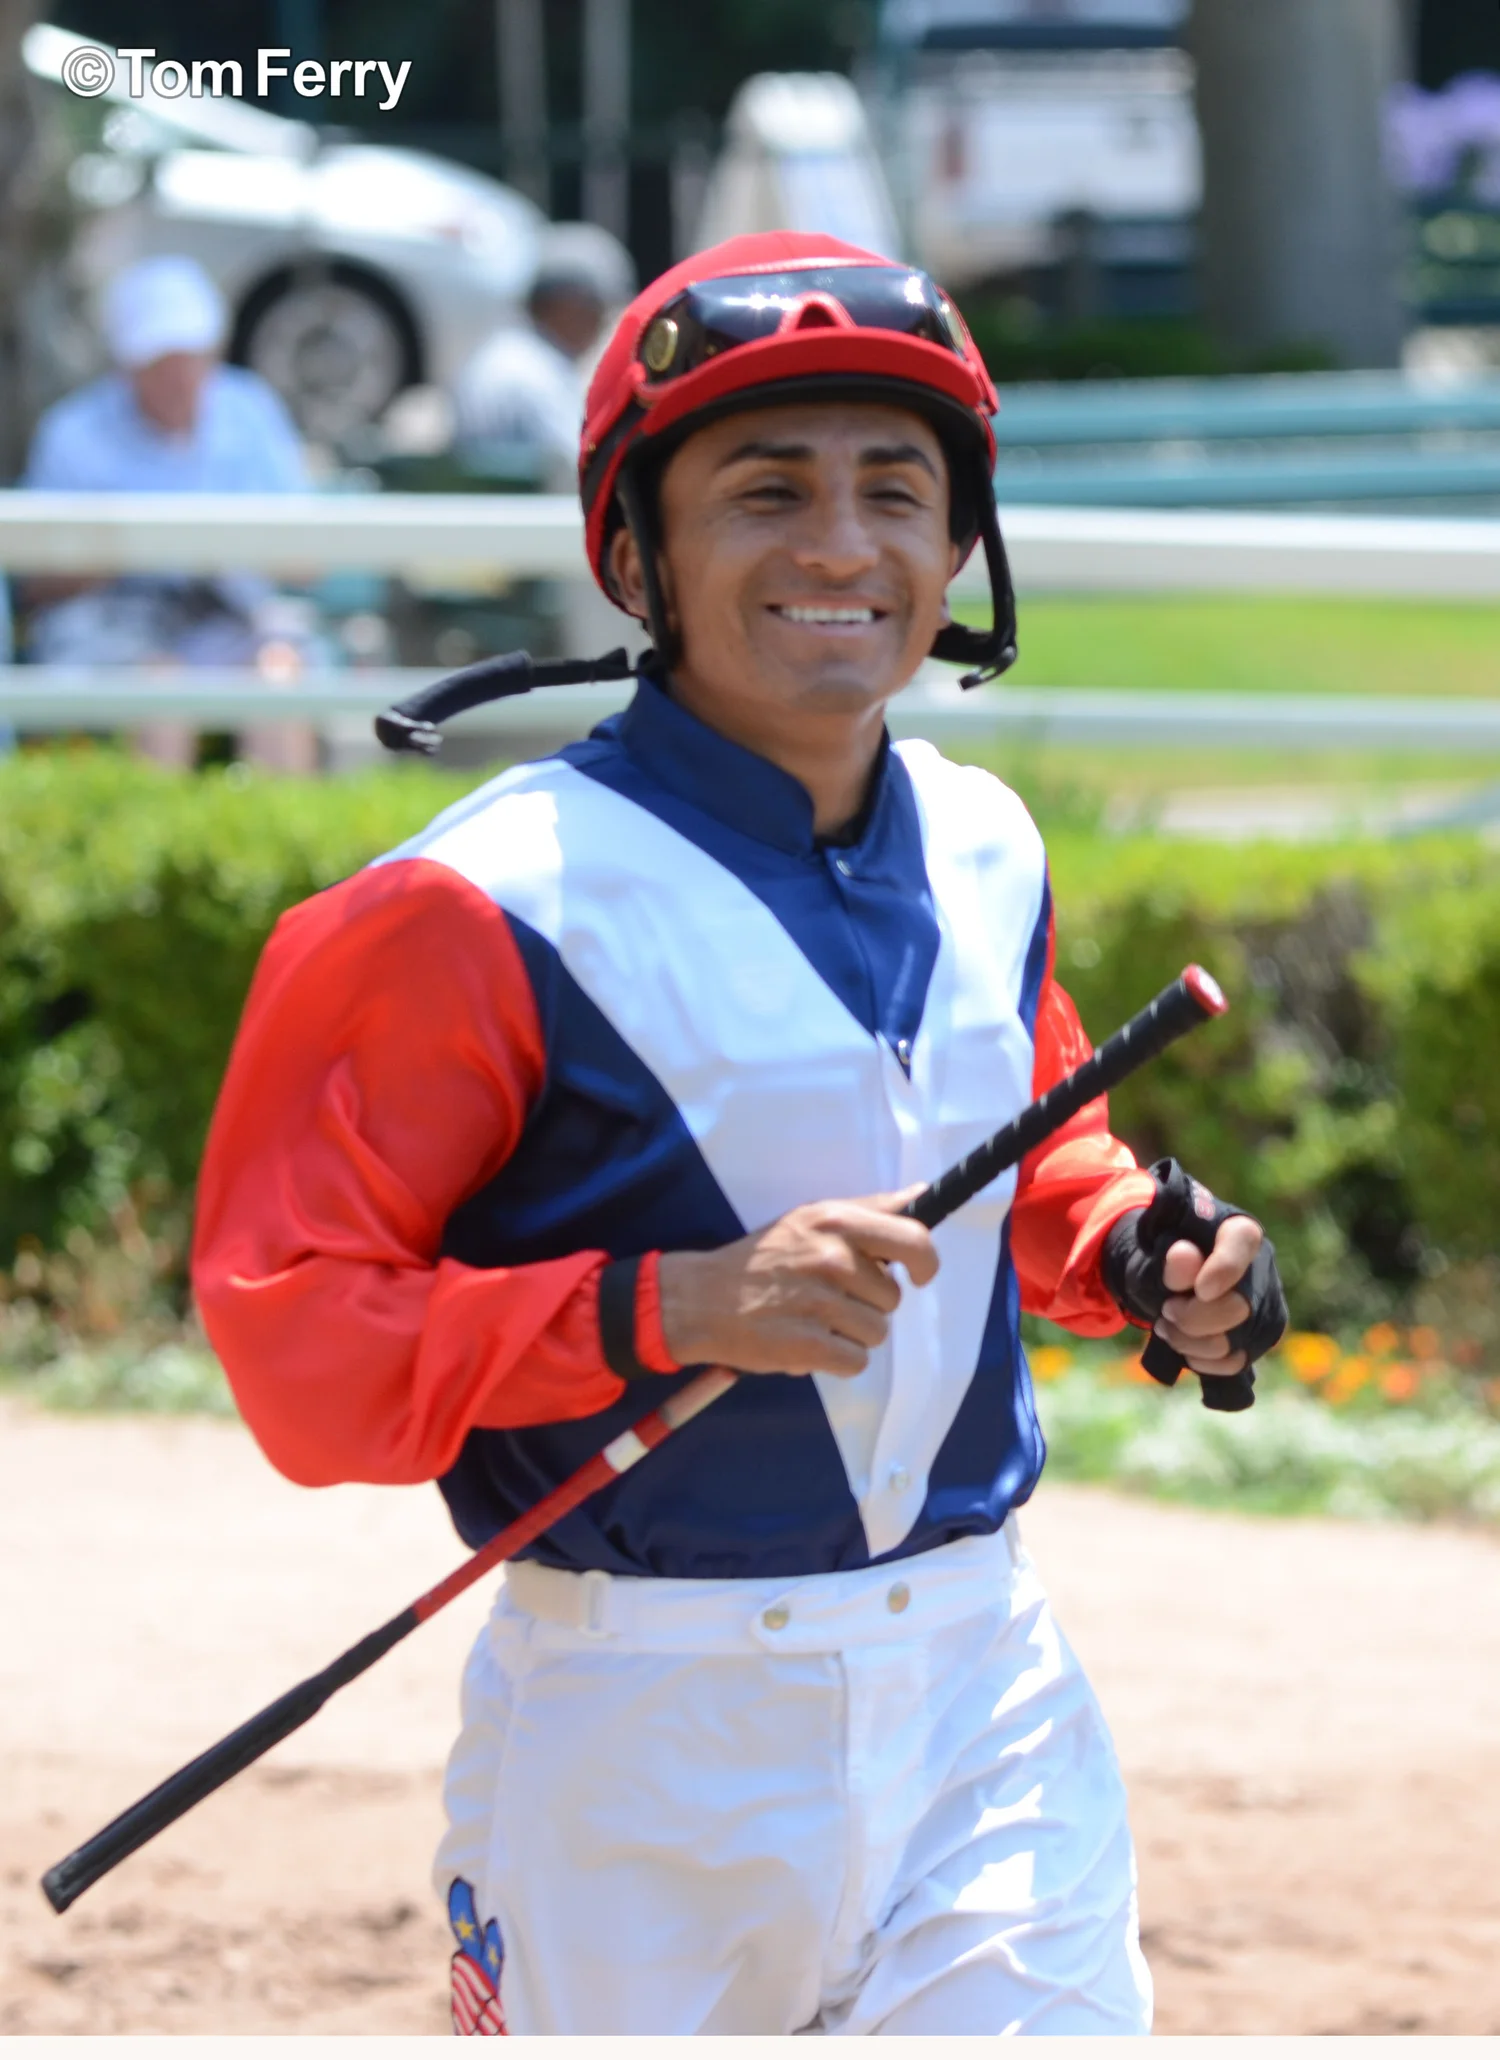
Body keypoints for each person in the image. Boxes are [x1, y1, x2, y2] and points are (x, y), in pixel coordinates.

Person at [191, 232, 1288, 2036]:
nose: (842, 545)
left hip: (983, 1692)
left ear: (960, 548)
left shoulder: (990, 843)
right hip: (635, 1735)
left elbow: (1031, 1156)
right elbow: (296, 1345)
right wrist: (670, 1310)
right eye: (767, 492)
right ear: (636, 557)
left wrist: (1140, 1252)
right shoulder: (467, 907)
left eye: (895, 492)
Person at [21, 254, 316, 770]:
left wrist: (233, 549)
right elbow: (33, 584)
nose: (180, 378)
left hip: (231, 612)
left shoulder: (250, 409)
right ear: (128, 366)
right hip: (115, 622)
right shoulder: (73, 431)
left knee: (278, 672)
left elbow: (309, 559)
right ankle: (163, 822)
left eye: (192, 358)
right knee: (161, 685)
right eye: (161, 362)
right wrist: (123, 553)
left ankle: (285, 819)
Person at [452, 222, 635, 481]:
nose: (601, 322)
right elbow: (578, 469)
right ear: (566, 304)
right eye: (595, 307)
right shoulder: (535, 373)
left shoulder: (502, 352)